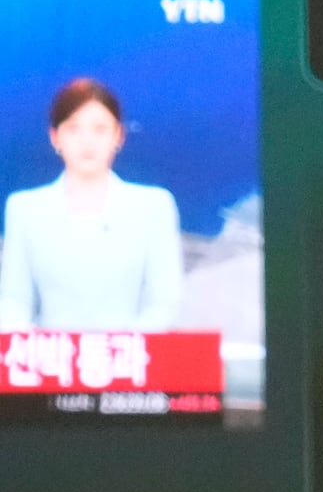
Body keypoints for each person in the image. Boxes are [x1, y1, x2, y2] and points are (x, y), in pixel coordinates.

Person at [1, 77, 185, 330]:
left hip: (127, 361)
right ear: (55, 137)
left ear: (118, 135)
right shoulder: (24, 209)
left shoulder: (154, 206)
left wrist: (117, 350)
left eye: (99, 129)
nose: (87, 141)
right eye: (73, 129)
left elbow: (164, 304)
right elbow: (15, 300)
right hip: (52, 361)